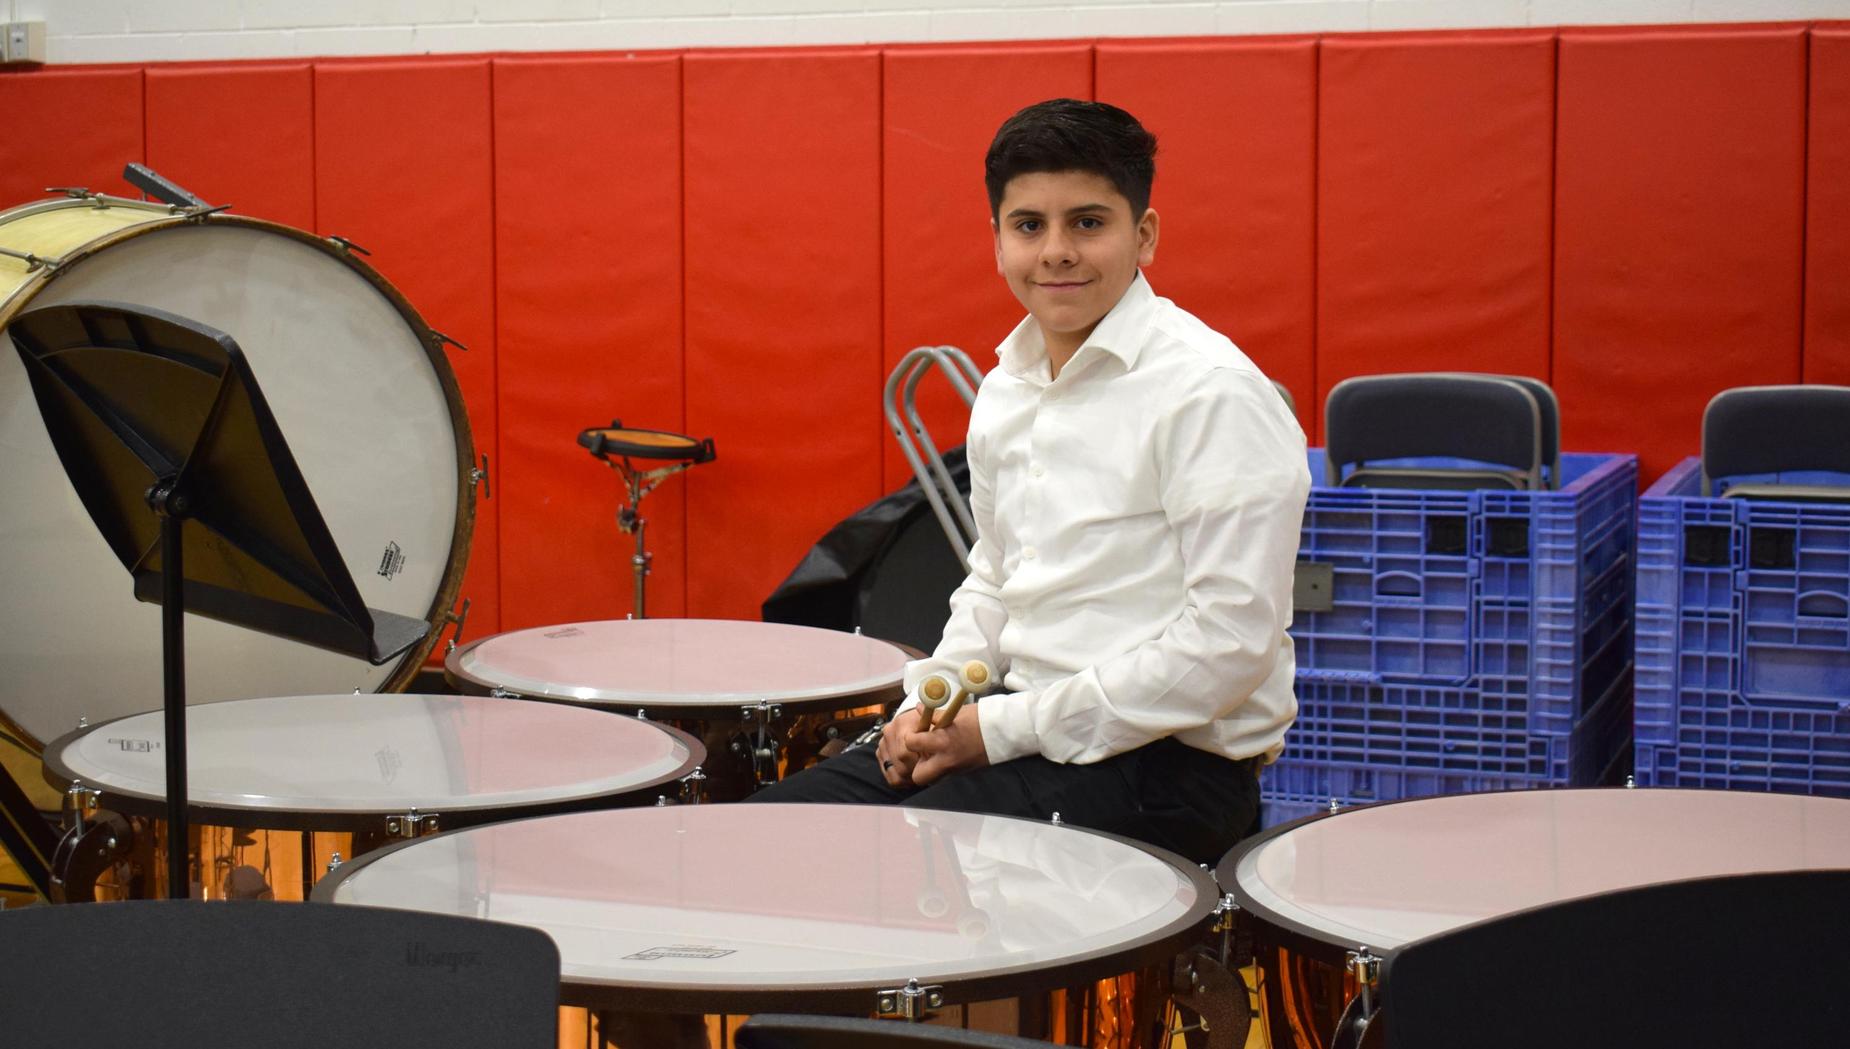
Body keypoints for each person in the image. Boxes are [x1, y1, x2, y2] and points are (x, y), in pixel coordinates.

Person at [751, 98, 1309, 866]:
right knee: (753, 838)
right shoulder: (1007, 387)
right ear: (997, 241)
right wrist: (925, 702)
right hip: (1016, 729)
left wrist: (995, 732)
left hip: (1171, 771)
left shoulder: (1211, 392)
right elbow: (994, 578)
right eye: (1029, 226)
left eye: (1088, 222)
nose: (1056, 251)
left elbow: (1228, 645)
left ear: (1143, 235)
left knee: (890, 862)